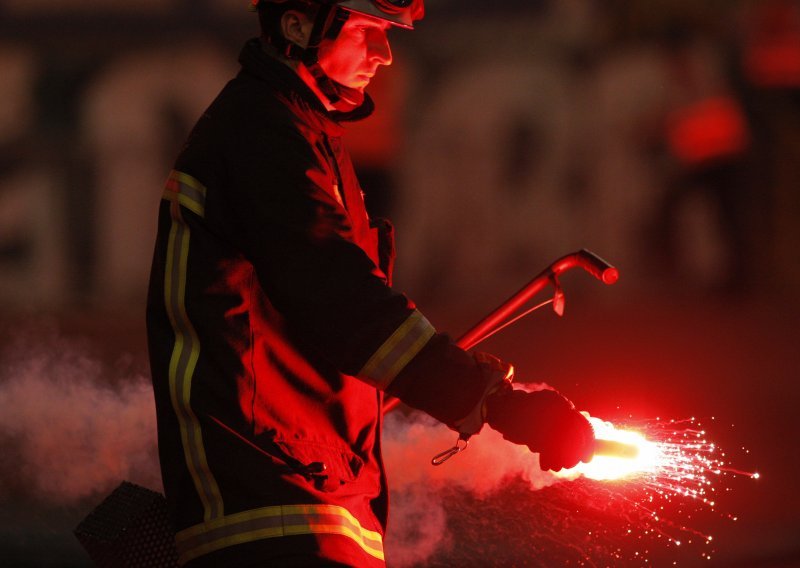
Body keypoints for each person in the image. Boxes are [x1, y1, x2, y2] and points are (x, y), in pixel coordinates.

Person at [146, 1, 594, 566]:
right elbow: (344, 301)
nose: (384, 55)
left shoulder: (301, 131)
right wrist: (488, 397)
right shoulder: (263, 132)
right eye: (366, 31)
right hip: (270, 504)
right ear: (297, 25)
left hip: (307, 489)